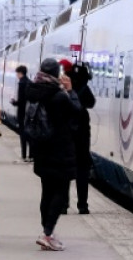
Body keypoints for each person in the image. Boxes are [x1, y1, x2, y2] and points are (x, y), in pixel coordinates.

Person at [25, 58, 81, 251]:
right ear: (56, 73)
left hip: (41, 148)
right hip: (60, 149)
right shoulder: (59, 96)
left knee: (47, 191)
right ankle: (48, 234)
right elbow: (77, 113)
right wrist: (71, 91)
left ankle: (46, 232)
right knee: (60, 192)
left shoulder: (33, 92)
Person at [59, 59, 96, 215]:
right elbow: (91, 102)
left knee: (65, 171)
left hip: (66, 136)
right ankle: (83, 205)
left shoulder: (63, 88)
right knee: (82, 172)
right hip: (82, 136)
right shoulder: (84, 87)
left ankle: (64, 205)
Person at [10, 65, 32, 162]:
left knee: (22, 133)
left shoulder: (21, 83)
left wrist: (14, 102)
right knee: (30, 134)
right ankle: (31, 155)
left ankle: (23, 155)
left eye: (17, 73)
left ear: (20, 73)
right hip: (30, 112)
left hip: (22, 112)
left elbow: (21, 100)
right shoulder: (30, 82)